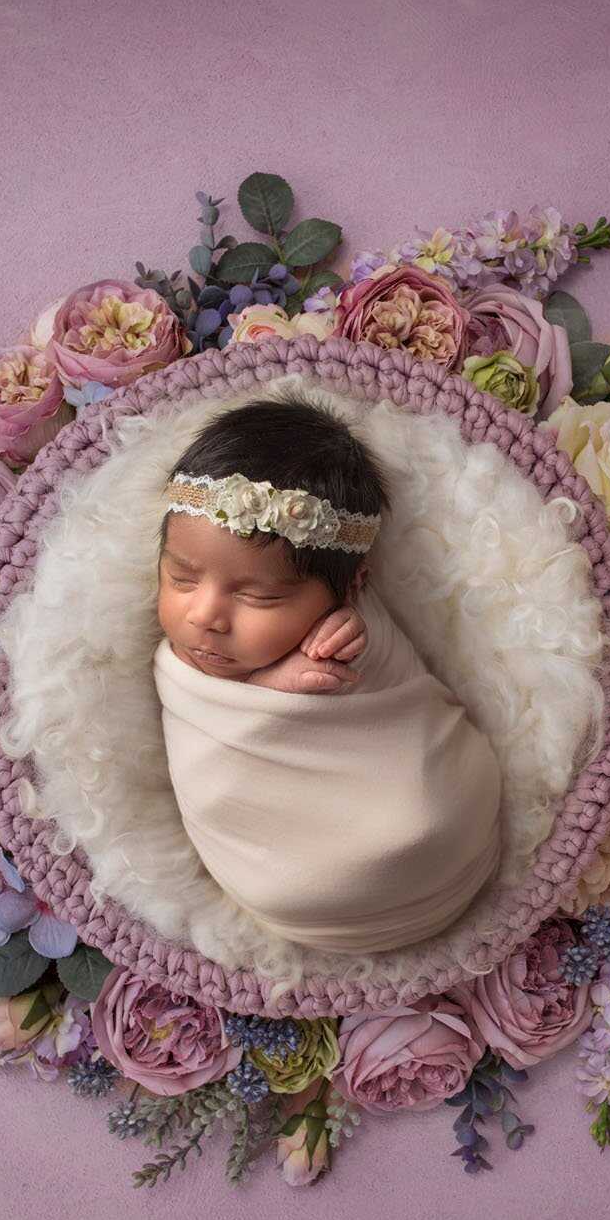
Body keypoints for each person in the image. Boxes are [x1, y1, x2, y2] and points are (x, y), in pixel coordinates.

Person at [150, 393, 504, 955]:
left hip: (443, 821)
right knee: (297, 885)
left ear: (350, 585)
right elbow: (210, 757)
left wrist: (356, 640)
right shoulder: (182, 662)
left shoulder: (351, 623)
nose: (204, 616)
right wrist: (269, 690)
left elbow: (393, 686)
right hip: (293, 886)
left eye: (258, 596)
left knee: (428, 815)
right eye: (182, 578)